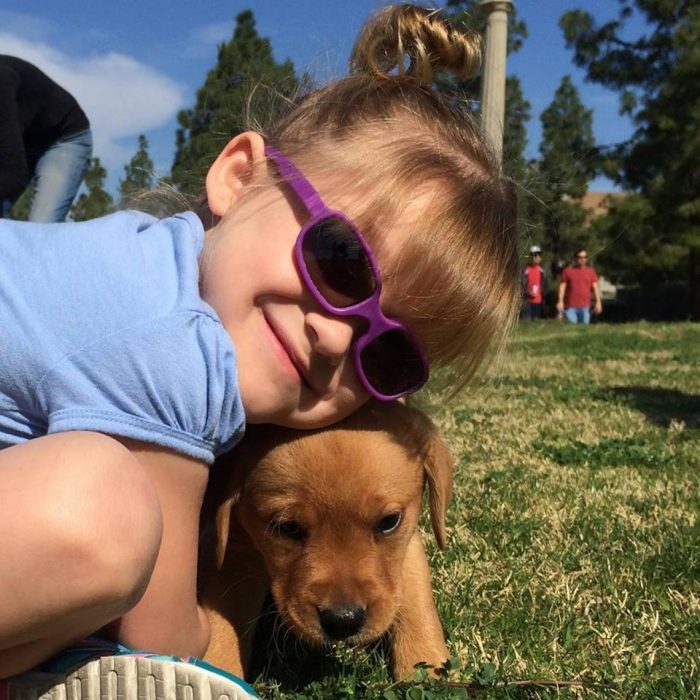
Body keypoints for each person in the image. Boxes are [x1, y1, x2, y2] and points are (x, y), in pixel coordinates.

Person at [0, 5, 520, 698]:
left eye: (387, 355)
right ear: (238, 176)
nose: (337, 335)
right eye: (339, 260)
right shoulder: (179, 350)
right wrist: (200, 655)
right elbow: (161, 639)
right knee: (104, 511)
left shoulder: (162, 264)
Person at [0, 55, 93, 223]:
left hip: (63, 138)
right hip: (19, 140)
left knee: (41, 226)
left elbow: (13, 173)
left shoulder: (2, 80)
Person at [556, 246, 603, 324]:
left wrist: (598, 302)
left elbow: (595, 288)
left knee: (583, 330)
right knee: (571, 329)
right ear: (575, 258)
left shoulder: (591, 272)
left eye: (585, 257)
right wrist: (560, 301)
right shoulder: (567, 271)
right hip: (570, 307)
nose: (582, 259)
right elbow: (562, 287)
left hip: (585, 307)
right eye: (580, 257)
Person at [522, 245, 548, 319]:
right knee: (527, 322)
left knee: (536, 323)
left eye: (538, 255)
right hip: (526, 301)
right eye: (534, 255)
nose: (537, 257)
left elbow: (546, 285)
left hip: (539, 301)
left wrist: (544, 295)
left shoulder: (542, 270)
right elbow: (520, 285)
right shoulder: (524, 269)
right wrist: (527, 292)